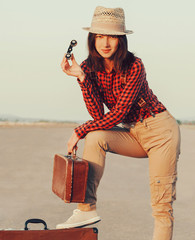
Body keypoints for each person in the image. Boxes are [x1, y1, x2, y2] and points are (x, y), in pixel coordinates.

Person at [58, 6, 181, 240]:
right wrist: (82, 78)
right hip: (132, 133)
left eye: (112, 37)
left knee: (161, 205)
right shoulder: (88, 68)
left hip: (160, 132)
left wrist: (78, 131)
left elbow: (118, 113)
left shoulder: (134, 66)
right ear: (92, 38)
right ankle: (86, 209)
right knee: (95, 136)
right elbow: (98, 117)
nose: (105, 43)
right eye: (100, 36)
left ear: (121, 40)